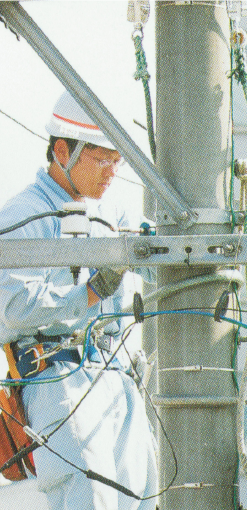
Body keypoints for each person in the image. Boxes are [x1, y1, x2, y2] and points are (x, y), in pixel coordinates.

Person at [0, 91, 157, 510]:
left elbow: (162, 259)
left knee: (141, 496)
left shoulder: (113, 216)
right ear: (63, 150)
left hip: (118, 375)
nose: (112, 171)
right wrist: (89, 293)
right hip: (58, 377)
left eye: (117, 160)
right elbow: (12, 309)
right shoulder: (22, 216)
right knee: (91, 498)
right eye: (101, 159)